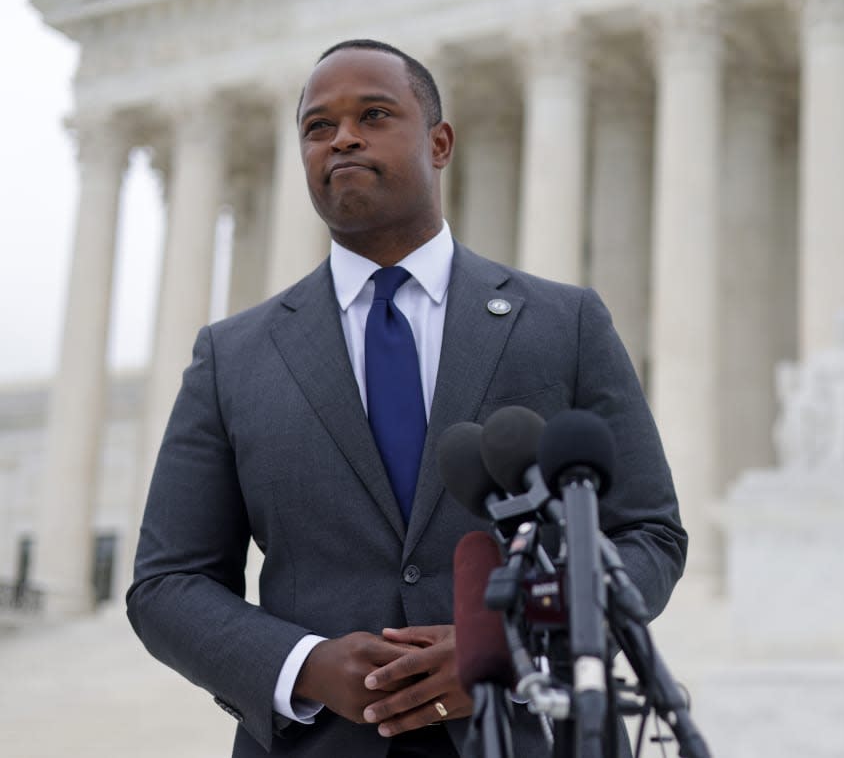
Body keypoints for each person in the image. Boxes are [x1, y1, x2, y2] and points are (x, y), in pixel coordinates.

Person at [126, 38, 687, 758]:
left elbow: (647, 535)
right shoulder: (232, 356)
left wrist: (510, 648)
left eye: (374, 113)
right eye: (317, 127)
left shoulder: (563, 323)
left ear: (440, 141)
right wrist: (303, 665)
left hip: (521, 737)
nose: (343, 137)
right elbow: (168, 581)